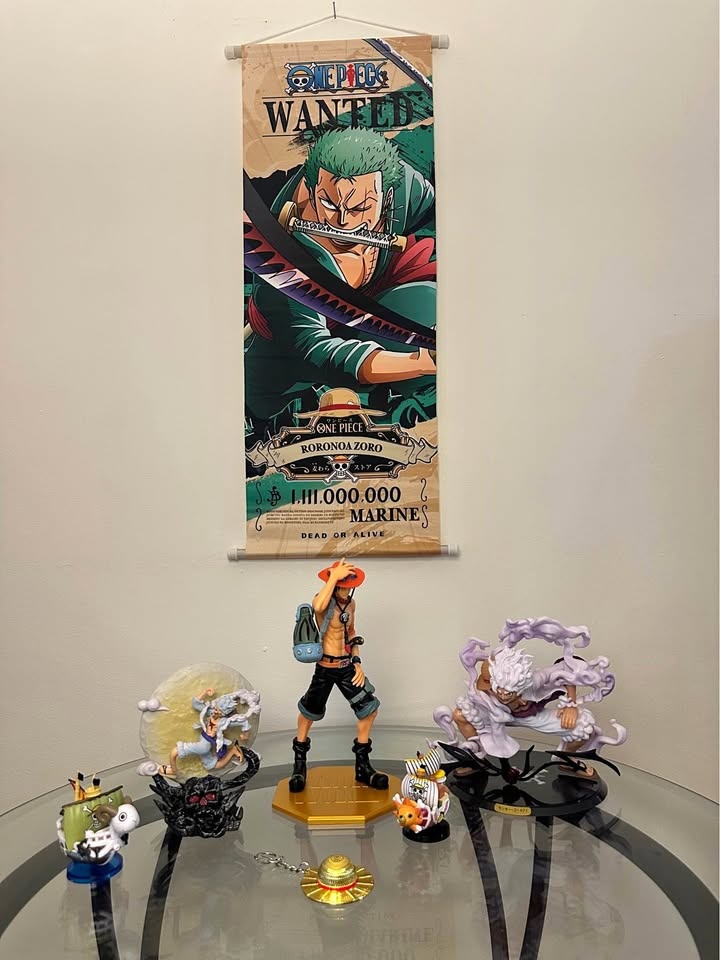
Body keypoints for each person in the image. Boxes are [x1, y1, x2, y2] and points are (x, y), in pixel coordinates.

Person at [245, 127, 437, 446]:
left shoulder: (405, 189)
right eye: (329, 205)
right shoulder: (284, 261)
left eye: (361, 208)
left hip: (372, 323)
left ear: (388, 197)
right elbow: (316, 351)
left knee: (424, 300)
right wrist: (418, 364)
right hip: (287, 377)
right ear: (310, 191)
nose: (344, 222)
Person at [289, 559, 388, 792]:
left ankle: (363, 767)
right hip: (325, 667)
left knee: (369, 709)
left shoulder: (351, 604)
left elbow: (351, 632)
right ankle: (299, 766)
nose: (345, 591)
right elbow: (317, 607)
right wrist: (333, 577)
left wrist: (357, 662)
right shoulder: (324, 600)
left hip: (345, 667)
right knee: (308, 713)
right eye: (342, 586)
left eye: (348, 586)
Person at [159, 688, 258, 777]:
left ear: (225, 713)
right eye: (216, 708)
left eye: (219, 711)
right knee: (211, 766)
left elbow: (243, 722)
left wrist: (245, 735)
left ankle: (173, 770)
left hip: (204, 745)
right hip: (203, 738)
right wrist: (205, 692)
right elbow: (196, 704)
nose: (216, 711)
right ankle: (233, 751)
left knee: (175, 751)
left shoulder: (223, 721)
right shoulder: (211, 712)